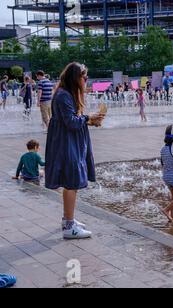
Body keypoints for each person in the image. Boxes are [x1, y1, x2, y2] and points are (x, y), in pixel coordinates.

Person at [45, 62, 105, 240]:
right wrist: (89, 118)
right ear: (75, 78)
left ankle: (67, 220)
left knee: (71, 182)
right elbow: (71, 122)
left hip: (68, 141)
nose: (86, 80)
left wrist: (90, 120)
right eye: (84, 77)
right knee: (72, 182)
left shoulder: (65, 94)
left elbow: (71, 119)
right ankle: (69, 227)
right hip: (66, 143)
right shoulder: (64, 95)